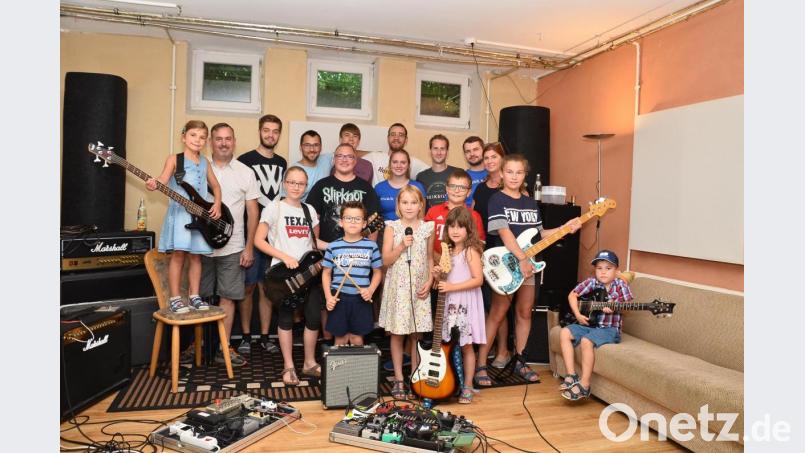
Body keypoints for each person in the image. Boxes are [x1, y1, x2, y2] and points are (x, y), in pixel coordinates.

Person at [475, 154, 581, 386]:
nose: (514, 176)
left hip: (530, 265)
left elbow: (539, 234)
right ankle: (480, 364)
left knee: (525, 313)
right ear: (501, 174)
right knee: (498, 312)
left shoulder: (530, 202)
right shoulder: (496, 199)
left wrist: (564, 228)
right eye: (509, 172)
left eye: (519, 172)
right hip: (505, 265)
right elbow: (504, 233)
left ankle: (521, 360)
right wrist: (522, 259)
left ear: (525, 175)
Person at [254, 167, 324, 386]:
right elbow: (259, 240)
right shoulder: (274, 208)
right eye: (292, 182)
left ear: (306, 186)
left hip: (308, 275)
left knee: (313, 317)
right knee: (285, 319)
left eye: (301, 184)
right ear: (284, 183)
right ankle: (289, 366)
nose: (296, 187)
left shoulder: (309, 210)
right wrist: (284, 257)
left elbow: (314, 245)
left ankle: (309, 363)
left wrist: (336, 246)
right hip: (283, 274)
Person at [198, 123, 259, 368]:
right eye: (218, 139)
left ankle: (224, 346)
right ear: (211, 142)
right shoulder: (198, 169)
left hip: (233, 247)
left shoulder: (245, 172)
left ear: (234, 141)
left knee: (228, 298)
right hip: (199, 246)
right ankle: (200, 345)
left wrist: (249, 247)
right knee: (199, 298)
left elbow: (253, 212)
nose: (223, 143)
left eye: (228, 139)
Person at [147, 120, 222, 314]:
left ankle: (194, 296)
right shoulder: (174, 159)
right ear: (184, 137)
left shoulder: (205, 162)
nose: (198, 140)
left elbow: (215, 186)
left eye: (202, 137)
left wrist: (217, 203)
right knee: (179, 255)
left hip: (199, 216)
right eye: (193, 135)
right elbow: (163, 179)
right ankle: (175, 299)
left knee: (196, 256)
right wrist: (155, 183)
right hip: (180, 215)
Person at [307, 143, 381, 340]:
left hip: (358, 258)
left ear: (355, 161)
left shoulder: (366, 188)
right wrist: (324, 247)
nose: (344, 159)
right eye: (340, 155)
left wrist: (370, 250)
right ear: (334, 159)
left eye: (349, 156)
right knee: (329, 302)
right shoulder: (321, 185)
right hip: (327, 252)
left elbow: (374, 224)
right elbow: (311, 221)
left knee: (356, 320)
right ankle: (328, 343)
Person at [236, 114, 287, 354]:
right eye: (266, 130)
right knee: (248, 287)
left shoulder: (282, 163)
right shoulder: (244, 161)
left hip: (275, 237)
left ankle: (266, 336)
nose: (270, 135)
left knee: (268, 289)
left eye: (275, 131)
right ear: (259, 131)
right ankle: (246, 335)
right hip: (250, 235)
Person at [378, 186, 434, 399]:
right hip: (398, 287)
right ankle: (399, 379)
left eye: (413, 202)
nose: (409, 207)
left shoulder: (427, 228)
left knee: (416, 334)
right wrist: (402, 245)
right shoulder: (392, 227)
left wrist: (429, 281)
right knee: (398, 333)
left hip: (419, 287)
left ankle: (415, 376)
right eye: (405, 202)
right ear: (398, 205)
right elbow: (386, 260)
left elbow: (429, 258)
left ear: (421, 205)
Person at [558, 250, 633, 400]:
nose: (603, 272)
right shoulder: (592, 282)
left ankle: (584, 385)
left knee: (587, 341)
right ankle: (571, 375)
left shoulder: (621, 286)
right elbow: (572, 295)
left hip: (610, 330)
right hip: (590, 325)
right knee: (564, 332)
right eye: (599, 268)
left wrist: (616, 306)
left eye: (608, 268)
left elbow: (629, 308)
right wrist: (578, 315)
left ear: (617, 271)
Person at [434, 207, 486, 404]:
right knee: (448, 345)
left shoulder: (470, 251)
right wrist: (438, 275)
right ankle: (453, 382)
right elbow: (445, 279)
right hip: (450, 303)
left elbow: (478, 280)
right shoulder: (447, 251)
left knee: (466, 346)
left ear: (468, 229)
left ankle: (468, 386)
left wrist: (452, 286)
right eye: (451, 227)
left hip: (465, 302)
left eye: (460, 227)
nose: (455, 231)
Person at [471, 142, 510, 369]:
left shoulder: (512, 185)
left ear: (502, 159)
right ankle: (490, 347)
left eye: (493, 157)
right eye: (486, 158)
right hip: (485, 249)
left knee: (500, 303)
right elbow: (475, 218)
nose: (489, 161)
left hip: (505, 249)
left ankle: (503, 350)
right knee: (488, 304)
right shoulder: (482, 188)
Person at [322, 201, 383, 345]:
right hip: (339, 296)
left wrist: (371, 290)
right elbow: (326, 273)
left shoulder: (371, 246)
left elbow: (377, 272)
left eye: (357, 219)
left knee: (356, 338)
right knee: (340, 338)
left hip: (361, 298)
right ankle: (339, 368)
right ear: (341, 222)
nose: (353, 222)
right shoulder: (333, 246)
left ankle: (357, 368)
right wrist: (328, 297)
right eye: (348, 218)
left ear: (364, 223)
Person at [425, 169, 485, 265]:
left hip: (463, 266)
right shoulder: (433, 212)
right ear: (447, 189)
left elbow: (479, 245)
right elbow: (425, 240)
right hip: (434, 266)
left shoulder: (474, 216)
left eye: (462, 187)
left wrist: (459, 261)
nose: (457, 191)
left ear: (469, 192)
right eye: (453, 186)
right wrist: (439, 259)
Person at [363, 123, 429, 185]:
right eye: (393, 134)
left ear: (406, 140)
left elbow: (434, 172)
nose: (396, 138)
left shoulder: (412, 162)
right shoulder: (374, 157)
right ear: (388, 138)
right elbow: (354, 157)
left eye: (401, 135)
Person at [374, 149, 426, 221]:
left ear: (408, 165)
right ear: (390, 164)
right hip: (384, 231)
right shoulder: (379, 188)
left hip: (411, 231)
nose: (399, 165)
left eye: (403, 162)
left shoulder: (417, 187)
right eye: (395, 162)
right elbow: (374, 217)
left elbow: (421, 218)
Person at [416, 134, 460, 211]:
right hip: (429, 222)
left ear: (447, 152)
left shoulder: (458, 173)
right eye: (435, 148)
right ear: (430, 151)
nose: (439, 152)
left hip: (453, 221)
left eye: (442, 149)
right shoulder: (421, 177)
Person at [293, 130, 332, 201]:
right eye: (307, 145)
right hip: (301, 211)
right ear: (300, 147)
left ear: (321, 147)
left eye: (316, 145)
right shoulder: (293, 171)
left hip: (322, 211)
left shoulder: (326, 159)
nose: (312, 149)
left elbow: (347, 152)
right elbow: (285, 201)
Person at [462, 136, 487, 202]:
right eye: (468, 151)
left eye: (475, 149)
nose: (472, 154)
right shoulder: (461, 178)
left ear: (484, 151)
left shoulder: (494, 174)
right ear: (464, 155)